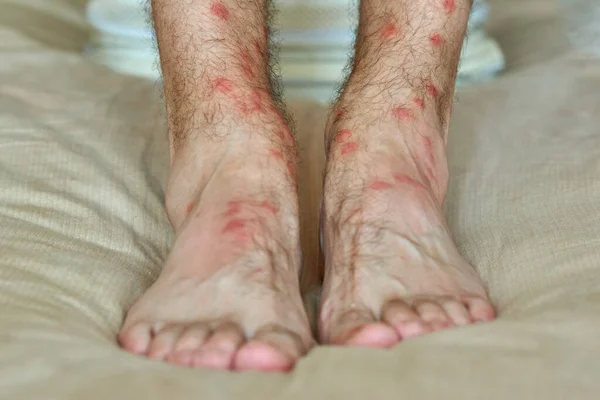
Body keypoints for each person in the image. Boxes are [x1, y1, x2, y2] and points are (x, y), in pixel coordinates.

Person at [118, 0, 496, 372]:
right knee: (228, 139)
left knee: (389, 131)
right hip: (148, 56)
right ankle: (228, 165)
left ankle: (392, 149)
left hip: (440, 58)